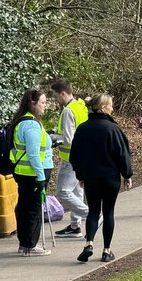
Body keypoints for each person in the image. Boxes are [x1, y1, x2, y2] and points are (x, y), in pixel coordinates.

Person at [69, 93, 134, 263]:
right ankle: (106, 250)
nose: (113, 108)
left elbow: (75, 156)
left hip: (91, 177)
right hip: (110, 177)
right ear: (104, 108)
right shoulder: (113, 129)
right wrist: (127, 174)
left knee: (93, 211)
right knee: (108, 212)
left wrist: (81, 175)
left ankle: (89, 243)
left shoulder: (82, 129)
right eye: (111, 105)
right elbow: (122, 154)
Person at [9, 88, 54, 256]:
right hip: (32, 174)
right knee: (33, 208)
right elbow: (34, 153)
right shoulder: (31, 125)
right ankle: (30, 244)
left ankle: (25, 243)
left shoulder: (24, 121)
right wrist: (41, 177)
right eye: (42, 102)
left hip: (26, 173)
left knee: (26, 206)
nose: (45, 106)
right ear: (32, 103)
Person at [48, 79, 89, 238]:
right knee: (77, 191)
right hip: (82, 156)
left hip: (70, 159)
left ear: (62, 93)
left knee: (63, 192)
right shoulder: (80, 107)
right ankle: (75, 226)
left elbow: (68, 138)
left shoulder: (67, 111)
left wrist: (52, 137)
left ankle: (91, 215)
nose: (55, 99)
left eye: (55, 95)